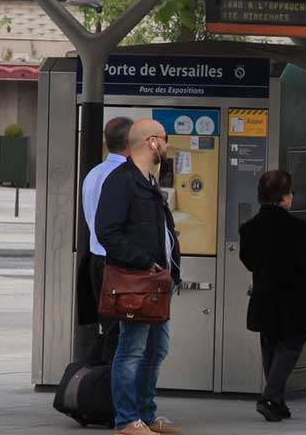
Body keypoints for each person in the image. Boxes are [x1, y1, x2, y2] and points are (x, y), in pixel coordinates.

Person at [95, 119, 184, 435]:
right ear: (151, 142)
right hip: (138, 281)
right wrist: (145, 263)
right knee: (132, 349)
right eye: (165, 138)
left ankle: (146, 415)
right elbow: (107, 231)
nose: (167, 145)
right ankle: (126, 420)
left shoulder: (147, 179)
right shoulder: (123, 181)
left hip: (157, 282)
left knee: (156, 350)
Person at [239, 170, 306, 422]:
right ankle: (270, 397)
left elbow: (248, 259)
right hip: (295, 295)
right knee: (292, 343)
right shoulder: (296, 226)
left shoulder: (249, 227)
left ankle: (276, 401)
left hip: (264, 292)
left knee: (270, 342)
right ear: (284, 197)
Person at [81, 116, 134, 361]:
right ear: (130, 142)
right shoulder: (124, 176)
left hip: (96, 259)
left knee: (109, 328)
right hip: (116, 263)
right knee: (121, 334)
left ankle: (103, 385)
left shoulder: (94, 173)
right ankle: (111, 390)